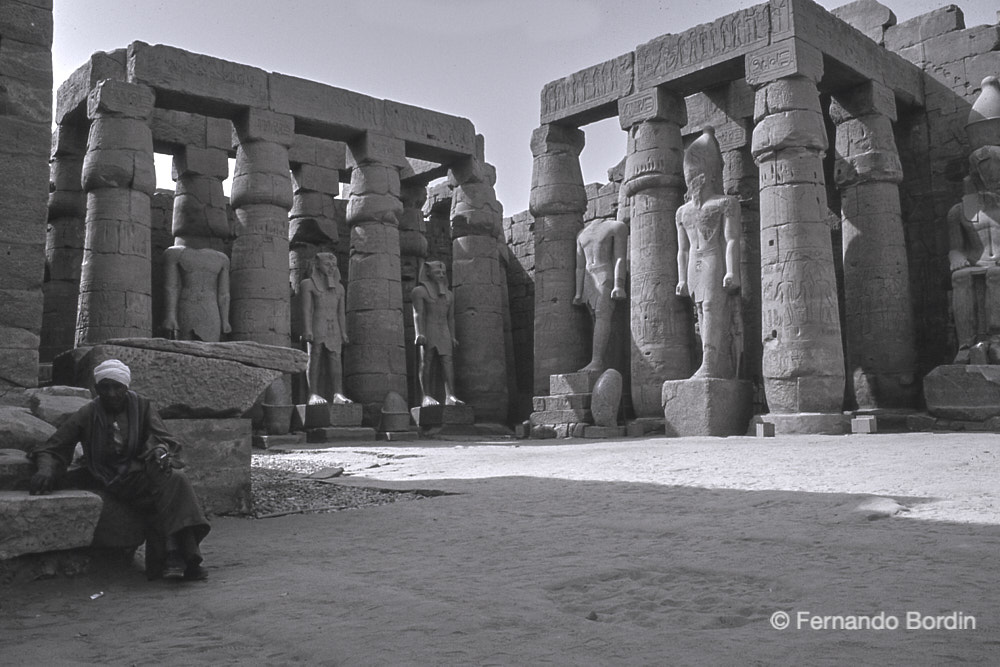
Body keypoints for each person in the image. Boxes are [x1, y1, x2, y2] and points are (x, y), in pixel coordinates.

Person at [28, 359, 211, 581]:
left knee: (176, 479)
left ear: (126, 388)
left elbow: (166, 440)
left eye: (117, 387)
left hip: (143, 471)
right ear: (97, 389)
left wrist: (158, 449)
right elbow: (54, 445)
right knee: (174, 486)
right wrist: (46, 469)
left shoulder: (142, 406)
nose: (112, 393)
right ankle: (185, 558)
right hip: (113, 477)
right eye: (105, 387)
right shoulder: (88, 413)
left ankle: (175, 558)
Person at [675, 127, 743, 379]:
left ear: (708, 175)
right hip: (695, 261)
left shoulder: (725, 203)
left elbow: (731, 239)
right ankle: (710, 360)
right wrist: (681, 278)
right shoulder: (682, 212)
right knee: (701, 311)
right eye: (689, 175)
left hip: (714, 257)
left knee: (713, 308)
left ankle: (711, 362)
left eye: (695, 174)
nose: (692, 180)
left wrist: (732, 271)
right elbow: (682, 249)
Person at [948, 144, 1000, 363]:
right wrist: (957, 257)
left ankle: (996, 338)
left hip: (995, 265)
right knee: (959, 277)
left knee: (995, 275)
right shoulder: (959, 211)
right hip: (977, 261)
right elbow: (956, 248)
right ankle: (967, 344)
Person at [573, 215, 628, 373]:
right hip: (590, 279)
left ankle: (597, 360)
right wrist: (578, 292)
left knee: (602, 315)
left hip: (605, 275)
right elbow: (580, 267)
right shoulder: (581, 234)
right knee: (595, 318)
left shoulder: (616, 227)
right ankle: (599, 360)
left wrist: (619, 284)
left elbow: (619, 258)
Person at [299, 252, 352, 404]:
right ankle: (312, 393)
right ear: (317, 265)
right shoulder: (308, 284)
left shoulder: (340, 288)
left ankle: (338, 393)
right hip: (317, 323)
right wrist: (307, 329)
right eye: (327, 265)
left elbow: (341, 313)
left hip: (333, 325)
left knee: (335, 357)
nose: (331, 268)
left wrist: (343, 331)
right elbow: (307, 310)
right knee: (314, 355)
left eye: (334, 266)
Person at [411, 260, 464, 407]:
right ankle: (425, 396)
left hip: (444, 330)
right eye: (437, 273)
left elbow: (451, 318)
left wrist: (452, 336)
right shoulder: (419, 291)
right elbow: (418, 313)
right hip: (428, 328)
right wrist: (419, 333)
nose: (441, 275)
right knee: (426, 361)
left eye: (443, 273)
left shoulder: (449, 295)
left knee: (447, 362)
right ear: (428, 273)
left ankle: (450, 395)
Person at [162, 237, 232, 342]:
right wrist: (170, 316)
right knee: (186, 347)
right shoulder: (174, 253)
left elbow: (224, 294)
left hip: (206, 307)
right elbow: (171, 287)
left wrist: (225, 321)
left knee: (209, 348)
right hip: (193, 306)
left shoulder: (222, 259)